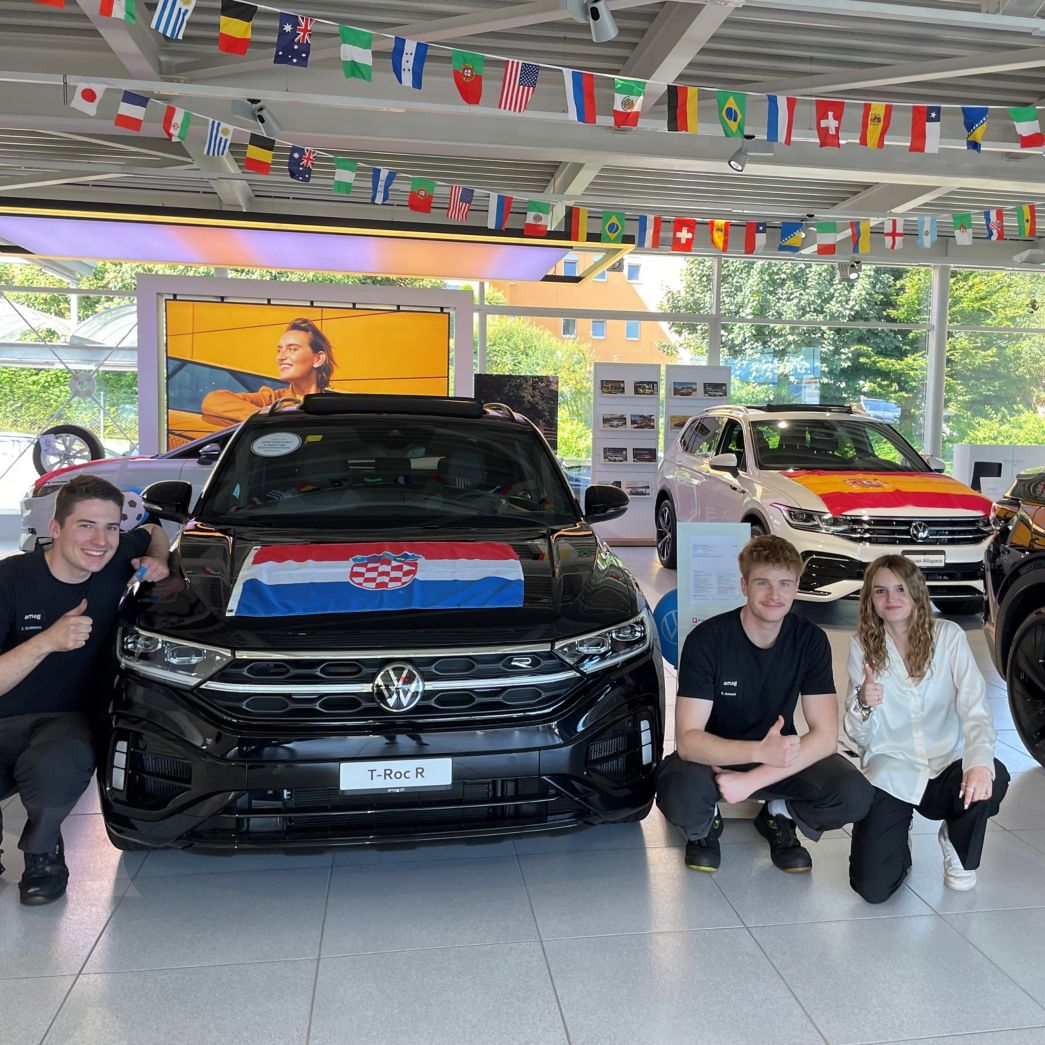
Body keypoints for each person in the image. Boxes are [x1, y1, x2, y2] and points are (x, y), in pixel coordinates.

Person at [657, 535, 872, 873]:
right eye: (763, 583)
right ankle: (706, 824)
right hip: (713, 757)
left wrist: (752, 779)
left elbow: (825, 738)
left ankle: (778, 815)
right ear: (744, 585)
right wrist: (757, 751)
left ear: (796, 586)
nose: (775, 595)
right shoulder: (707, 640)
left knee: (854, 793)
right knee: (676, 792)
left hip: (779, 756)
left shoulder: (810, 640)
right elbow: (688, 741)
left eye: (785, 584)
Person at [0, 475, 169, 905]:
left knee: (58, 767)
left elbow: (153, 529)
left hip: (62, 722)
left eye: (111, 527)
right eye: (86, 526)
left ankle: (42, 854)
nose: (100, 540)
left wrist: (157, 558)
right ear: (55, 528)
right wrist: (47, 641)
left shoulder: (113, 559)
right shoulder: (10, 579)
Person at [846, 555, 1008, 903]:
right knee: (873, 889)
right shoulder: (863, 646)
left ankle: (956, 839)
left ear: (916, 591)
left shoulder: (947, 636)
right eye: (880, 591)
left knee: (992, 774)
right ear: (870, 599)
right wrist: (862, 702)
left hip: (947, 764)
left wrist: (979, 762)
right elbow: (857, 736)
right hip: (893, 770)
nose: (891, 598)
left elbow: (976, 708)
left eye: (900, 588)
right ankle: (897, 839)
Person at [201, 317, 336, 426]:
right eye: (279, 350)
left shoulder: (336, 407)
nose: (280, 357)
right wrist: (270, 417)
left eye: (292, 349)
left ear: (318, 359)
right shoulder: (272, 400)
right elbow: (213, 400)